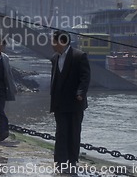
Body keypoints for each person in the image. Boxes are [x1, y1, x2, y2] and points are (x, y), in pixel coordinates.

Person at [49, 29, 91, 172]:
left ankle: (72, 161)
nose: (52, 44)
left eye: (54, 41)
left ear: (62, 42)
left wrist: (80, 92)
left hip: (74, 103)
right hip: (59, 103)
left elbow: (85, 77)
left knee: (73, 132)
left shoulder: (79, 56)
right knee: (61, 132)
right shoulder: (55, 58)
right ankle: (60, 161)